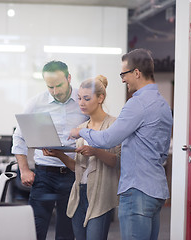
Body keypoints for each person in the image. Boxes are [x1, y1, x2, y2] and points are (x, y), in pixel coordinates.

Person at [69, 49, 173, 240]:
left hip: (137, 191)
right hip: (156, 191)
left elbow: (108, 139)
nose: (122, 79)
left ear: (136, 73)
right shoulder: (163, 105)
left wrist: (80, 131)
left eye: (123, 74)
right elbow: (162, 152)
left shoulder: (137, 104)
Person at [12, 60, 88, 240]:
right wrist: (24, 170)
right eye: (50, 87)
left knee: (66, 232)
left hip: (72, 174)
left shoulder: (83, 101)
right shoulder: (36, 103)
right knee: (35, 229)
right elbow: (19, 137)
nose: (55, 92)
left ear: (69, 78)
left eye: (59, 85)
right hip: (44, 174)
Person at [42, 75, 121, 240]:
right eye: (79, 98)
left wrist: (95, 151)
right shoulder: (81, 128)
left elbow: (116, 161)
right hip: (79, 193)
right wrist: (59, 154)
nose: (81, 103)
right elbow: (77, 167)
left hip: (101, 195)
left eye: (86, 98)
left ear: (100, 98)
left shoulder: (114, 125)